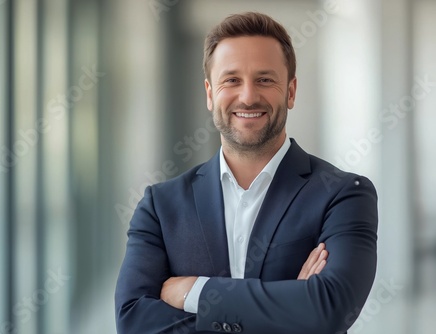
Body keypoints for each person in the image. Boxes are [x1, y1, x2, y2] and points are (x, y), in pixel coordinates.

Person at [115, 12, 378, 334]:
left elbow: (331, 308)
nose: (248, 96)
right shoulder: (161, 205)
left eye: (265, 79)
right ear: (210, 93)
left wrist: (193, 291)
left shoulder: (343, 193)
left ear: (291, 91)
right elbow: (133, 321)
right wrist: (291, 310)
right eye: (231, 80)